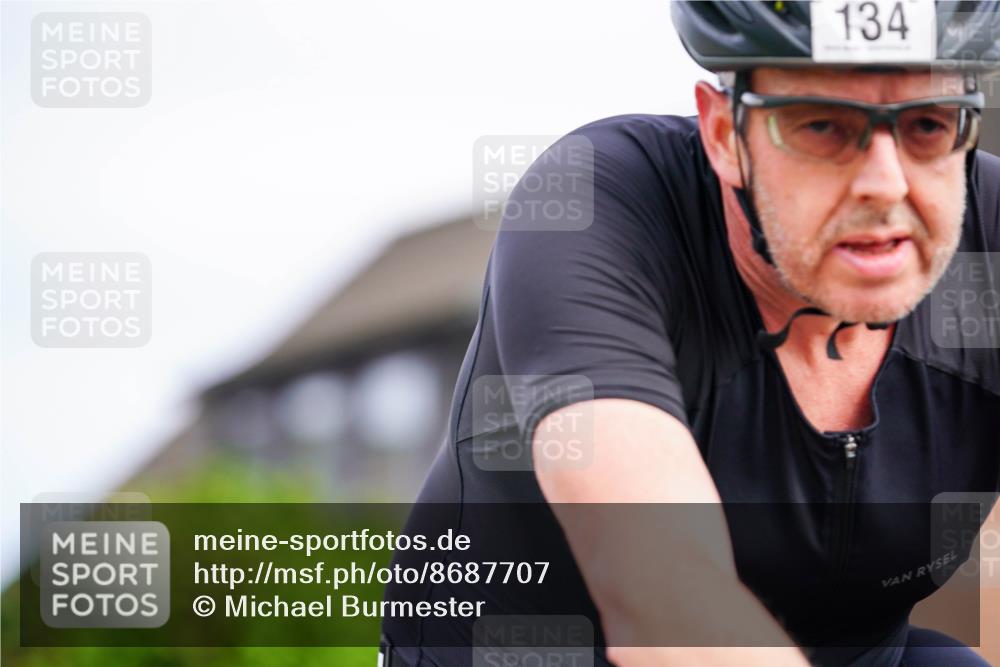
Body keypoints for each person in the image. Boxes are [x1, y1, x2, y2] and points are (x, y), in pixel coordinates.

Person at [381, 2, 1000, 665]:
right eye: (822, 125)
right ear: (723, 133)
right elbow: (661, 594)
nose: (886, 185)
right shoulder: (598, 204)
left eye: (930, 124)